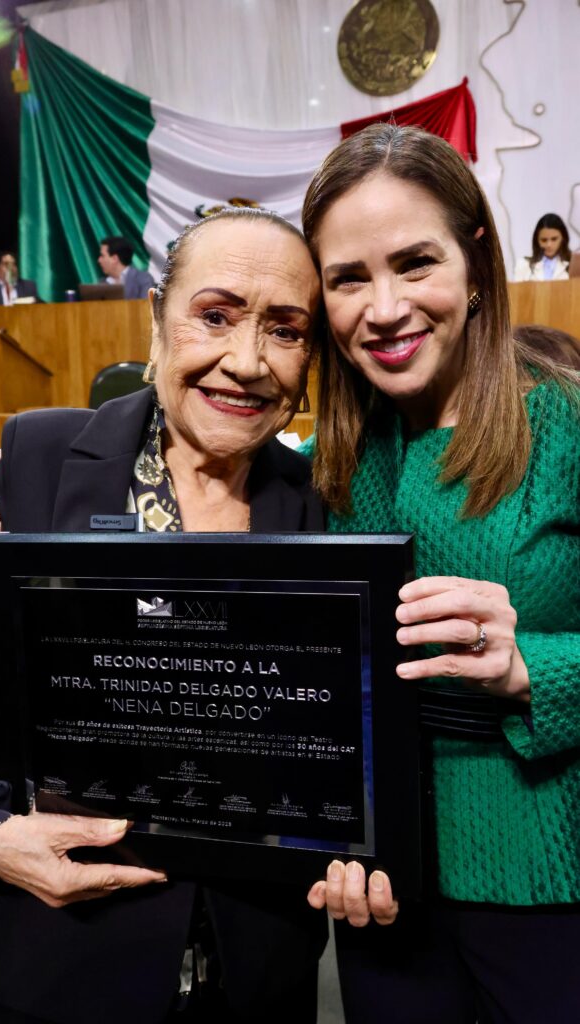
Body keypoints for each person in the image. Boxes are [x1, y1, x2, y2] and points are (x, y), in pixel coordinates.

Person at [0, 208, 396, 1024]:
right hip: (59, 960)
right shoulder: (36, 459)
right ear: (157, 317)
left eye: (284, 330)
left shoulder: (328, 505)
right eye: (215, 316)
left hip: (257, 971)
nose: (246, 362)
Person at [299, 124, 580, 1024]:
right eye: (348, 278)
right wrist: (18, 487)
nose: (383, 308)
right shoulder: (329, 459)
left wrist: (533, 667)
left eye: (415, 263)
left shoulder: (564, 420)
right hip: (380, 890)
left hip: (546, 881)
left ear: (474, 260)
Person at [514, 212, 571, 281]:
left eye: (554, 239)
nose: (549, 245)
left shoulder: (574, 265)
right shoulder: (523, 265)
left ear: (563, 238)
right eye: (544, 240)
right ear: (537, 240)